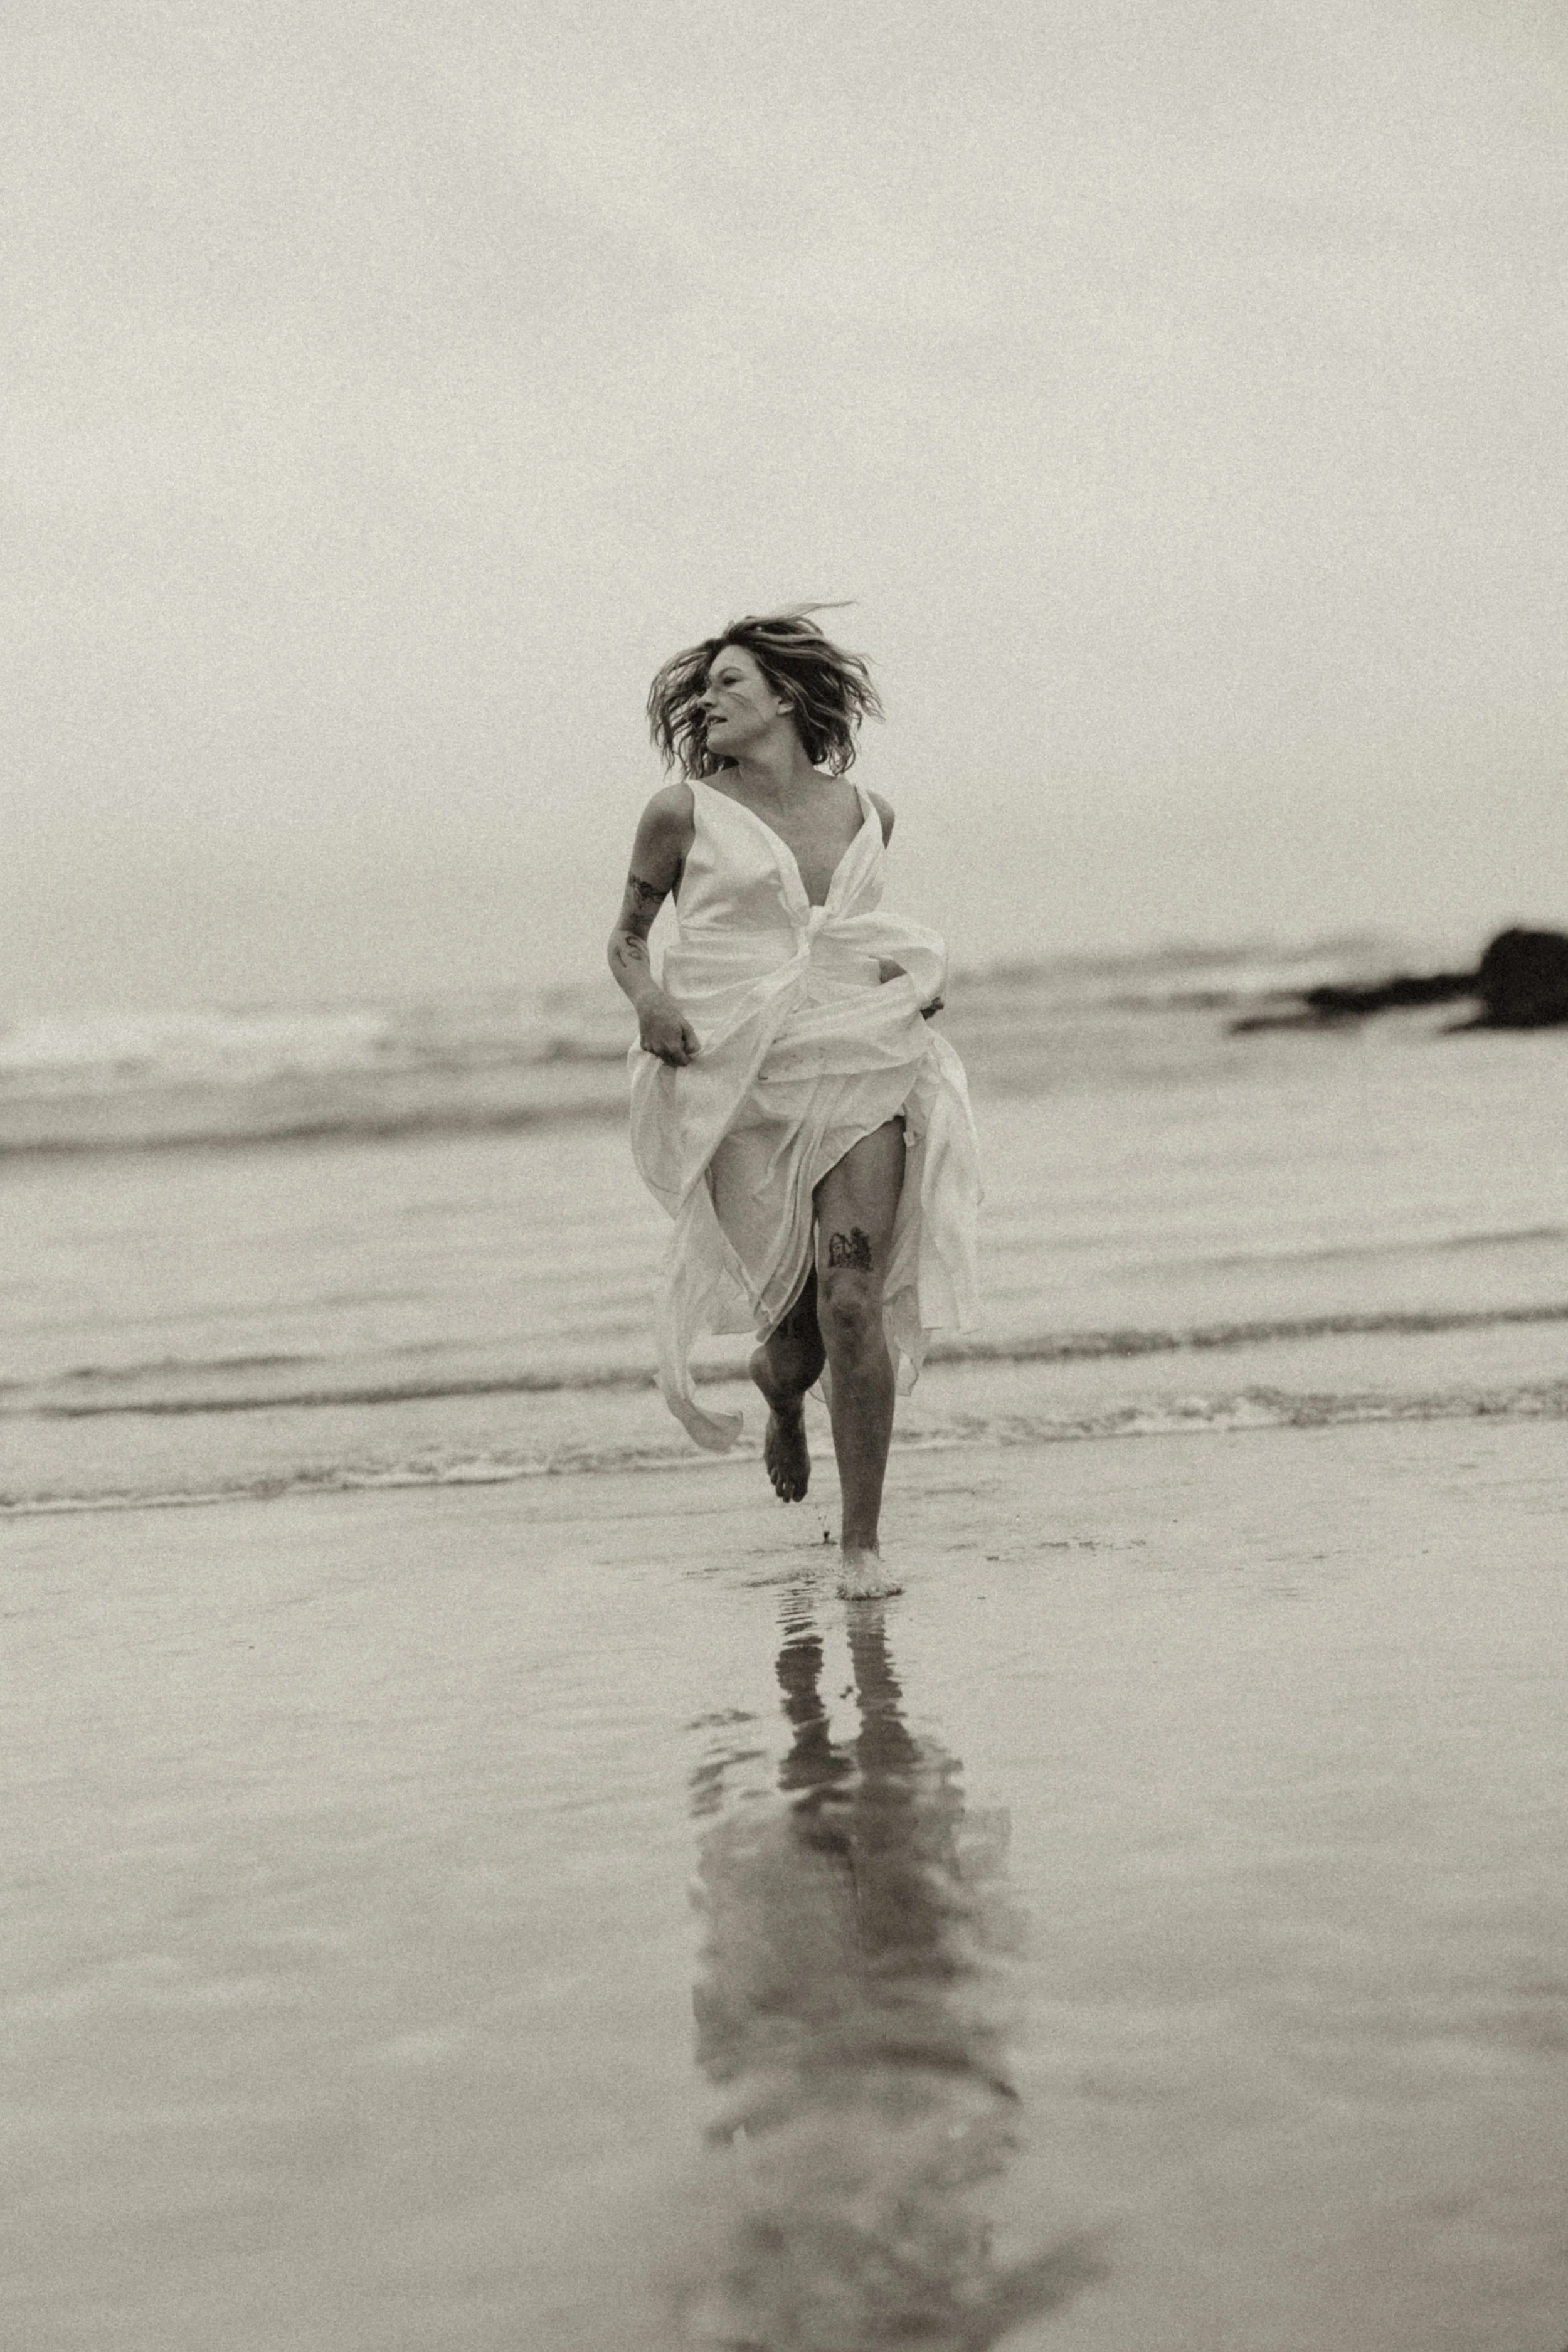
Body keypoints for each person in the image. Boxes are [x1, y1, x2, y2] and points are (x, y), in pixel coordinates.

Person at [607, 607, 980, 1599]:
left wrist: (903, 976)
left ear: (785, 697)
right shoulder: (679, 813)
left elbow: (848, 936)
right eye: (705, 687)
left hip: (860, 1058)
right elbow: (626, 942)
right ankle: (780, 1402)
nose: (708, 699)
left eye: (729, 683)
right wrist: (650, 1002)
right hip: (740, 1079)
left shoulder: (869, 812)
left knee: (854, 1297)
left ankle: (861, 1546)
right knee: (795, 1343)